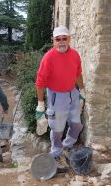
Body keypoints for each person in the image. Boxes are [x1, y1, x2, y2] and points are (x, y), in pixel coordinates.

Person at [35, 26, 85, 160]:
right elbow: (40, 82)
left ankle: (67, 145)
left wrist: (81, 90)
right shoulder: (48, 58)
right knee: (57, 128)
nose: (61, 42)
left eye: (64, 38)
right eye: (58, 39)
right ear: (53, 41)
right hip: (56, 96)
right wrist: (40, 104)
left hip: (72, 94)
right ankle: (56, 152)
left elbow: (78, 74)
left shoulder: (74, 54)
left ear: (69, 39)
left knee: (77, 125)